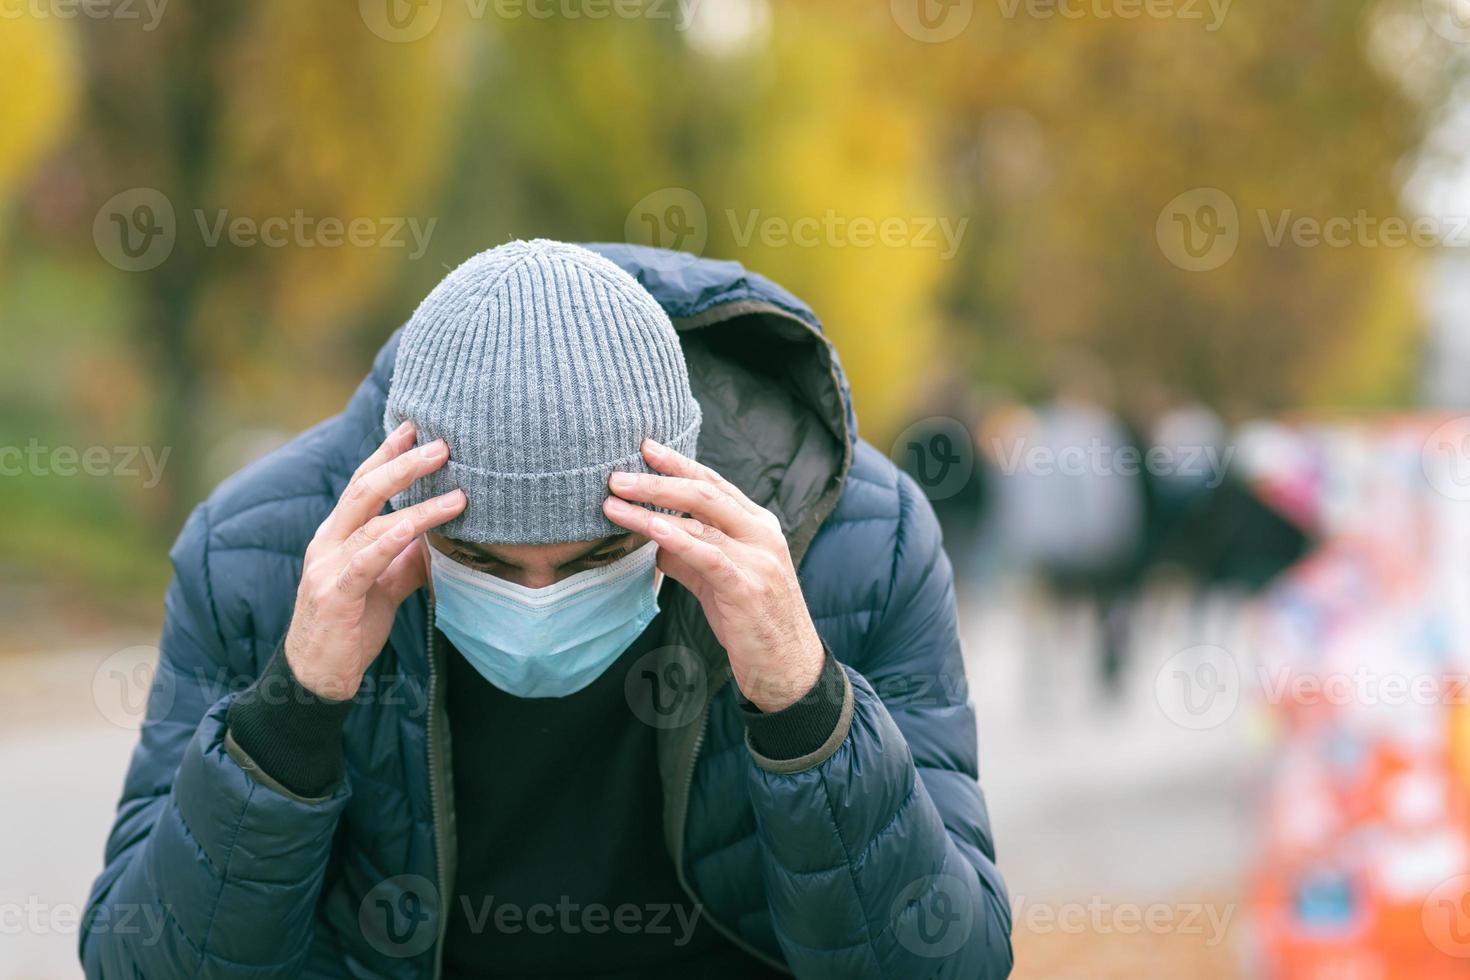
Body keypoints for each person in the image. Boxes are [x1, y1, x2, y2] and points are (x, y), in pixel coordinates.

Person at [81, 240, 1012, 979]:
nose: (539, 600)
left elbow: (946, 958)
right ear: (409, 511)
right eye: (480, 559)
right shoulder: (263, 555)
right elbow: (145, 961)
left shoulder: (856, 538)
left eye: (600, 556)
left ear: (677, 497)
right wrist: (293, 709)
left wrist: (805, 703)